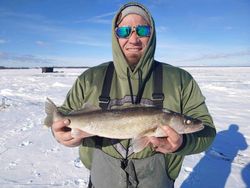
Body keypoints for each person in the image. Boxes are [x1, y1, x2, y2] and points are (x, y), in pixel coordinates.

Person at [51, 2, 216, 188]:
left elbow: (206, 129)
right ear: (115, 36)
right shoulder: (89, 78)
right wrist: (60, 133)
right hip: (102, 179)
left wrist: (183, 143)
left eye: (142, 30)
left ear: (152, 34)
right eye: (124, 31)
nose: (133, 38)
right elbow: (64, 116)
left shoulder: (181, 80)